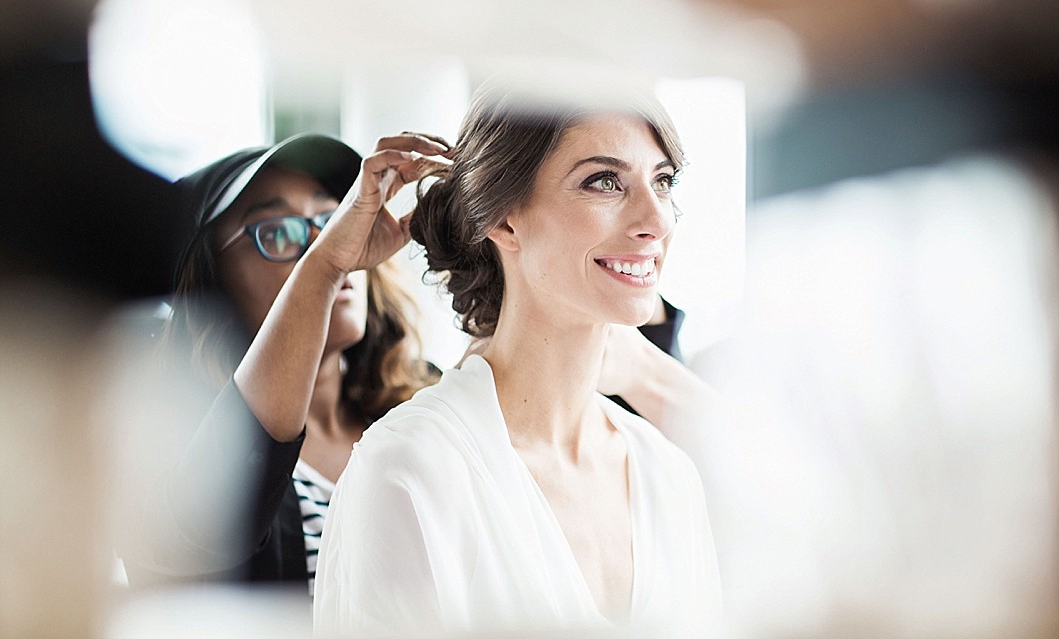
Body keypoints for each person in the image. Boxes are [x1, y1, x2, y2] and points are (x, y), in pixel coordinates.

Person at [313, 79, 722, 635]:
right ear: (503, 220)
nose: (656, 220)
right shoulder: (410, 471)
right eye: (605, 182)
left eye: (663, 181)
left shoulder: (668, 475)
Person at [119, 131, 450, 593]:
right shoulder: (168, 451)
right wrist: (325, 264)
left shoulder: (427, 403)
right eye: (276, 231)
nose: (325, 239)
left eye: (331, 217)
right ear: (210, 286)